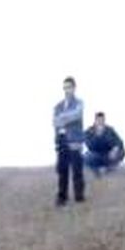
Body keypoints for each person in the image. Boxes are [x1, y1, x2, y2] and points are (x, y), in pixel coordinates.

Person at [52, 76, 85, 206]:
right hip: (61, 140)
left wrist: (62, 118)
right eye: (65, 87)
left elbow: (77, 115)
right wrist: (65, 118)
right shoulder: (58, 106)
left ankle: (79, 195)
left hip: (75, 140)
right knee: (62, 170)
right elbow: (54, 122)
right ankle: (62, 196)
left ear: (74, 88)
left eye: (69, 87)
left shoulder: (79, 103)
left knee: (77, 169)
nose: (67, 90)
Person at [83, 112, 125, 178]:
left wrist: (115, 149)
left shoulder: (110, 130)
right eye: (98, 120)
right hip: (96, 154)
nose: (100, 122)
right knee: (86, 157)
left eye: (102, 120)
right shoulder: (89, 131)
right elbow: (89, 145)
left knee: (120, 152)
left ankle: (108, 168)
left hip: (108, 154)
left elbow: (119, 142)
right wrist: (98, 135)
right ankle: (97, 170)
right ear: (95, 120)